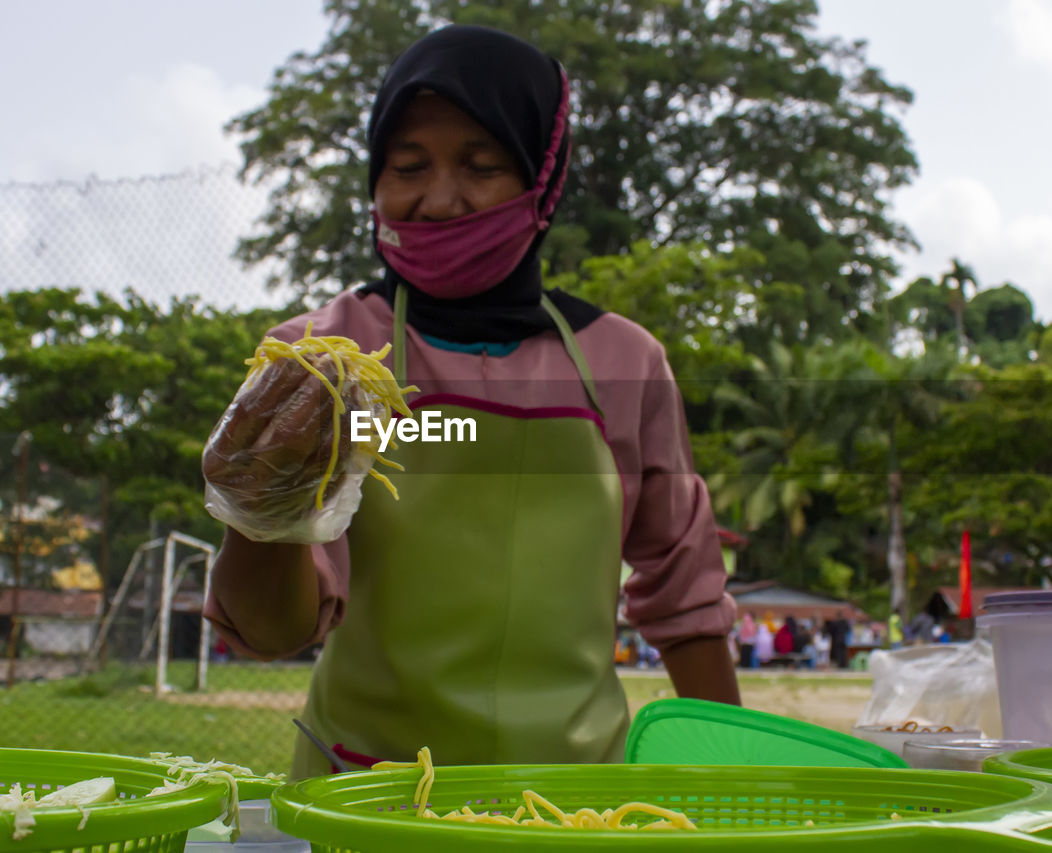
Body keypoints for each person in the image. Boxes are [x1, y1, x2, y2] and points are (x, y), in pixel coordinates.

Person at [202, 25, 740, 780]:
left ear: (542, 181)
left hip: (577, 800)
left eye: (482, 165)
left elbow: (687, 600)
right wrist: (260, 513)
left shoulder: (622, 362)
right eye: (407, 166)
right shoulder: (324, 359)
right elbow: (271, 630)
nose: (439, 198)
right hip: (364, 794)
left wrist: (735, 772)